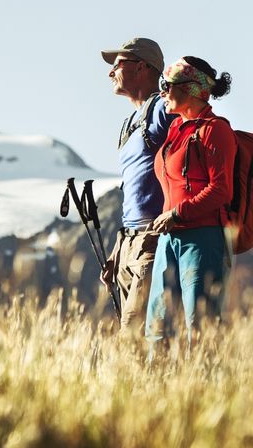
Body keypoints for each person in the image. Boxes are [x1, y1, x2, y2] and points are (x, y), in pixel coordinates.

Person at [145, 56, 236, 348]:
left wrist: (177, 212)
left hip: (203, 240)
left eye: (168, 85)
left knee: (199, 326)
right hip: (169, 239)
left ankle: (201, 390)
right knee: (156, 325)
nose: (162, 92)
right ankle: (154, 389)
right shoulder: (176, 132)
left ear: (192, 89)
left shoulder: (215, 130)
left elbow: (221, 190)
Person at [100, 37, 176, 332]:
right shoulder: (130, 123)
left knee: (133, 336)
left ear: (142, 67)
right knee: (134, 335)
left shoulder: (159, 109)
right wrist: (117, 252)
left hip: (151, 241)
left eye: (117, 64)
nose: (111, 72)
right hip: (128, 244)